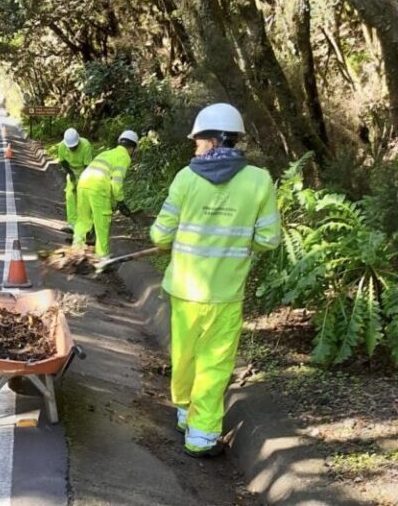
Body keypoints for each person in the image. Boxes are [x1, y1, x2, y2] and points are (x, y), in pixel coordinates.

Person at [150, 103, 281, 457]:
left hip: (184, 289)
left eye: (198, 140)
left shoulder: (185, 178)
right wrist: (240, 240)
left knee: (185, 354)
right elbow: (269, 239)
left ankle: (184, 413)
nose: (195, 147)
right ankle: (202, 436)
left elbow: (160, 235)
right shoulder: (259, 181)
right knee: (215, 363)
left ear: (212, 140)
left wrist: (175, 237)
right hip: (225, 293)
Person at [73, 130, 138, 258]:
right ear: (133, 147)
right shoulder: (124, 156)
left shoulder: (106, 153)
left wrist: (114, 203)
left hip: (83, 183)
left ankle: (76, 252)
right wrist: (120, 201)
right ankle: (102, 258)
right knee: (102, 224)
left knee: (83, 220)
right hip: (98, 187)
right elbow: (116, 182)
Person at [57, 128, 93, 233]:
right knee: (70, 197)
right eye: (71, 147)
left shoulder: (86, 145)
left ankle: (86, 226)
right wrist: (71, 173)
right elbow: (63, 161)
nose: (72, 149)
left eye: (74, 147)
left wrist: (82, 181)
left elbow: (87, 166)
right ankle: (72, 224)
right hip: (71, 171)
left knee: (83, 198)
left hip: (85, 172)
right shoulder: (62, 146)